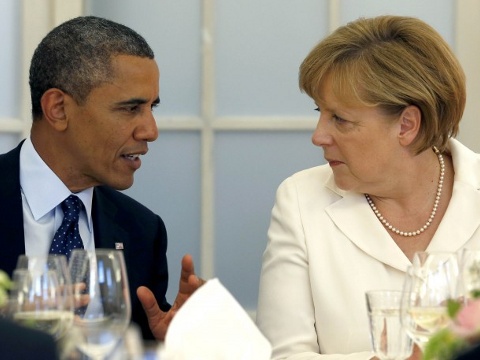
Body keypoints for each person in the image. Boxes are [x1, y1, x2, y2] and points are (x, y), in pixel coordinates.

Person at [256, 15, 480, 359]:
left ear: (406, 124)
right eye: (320, 112)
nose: (318, 136)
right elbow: (284, 355)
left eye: (339, 119)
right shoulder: (300, 200)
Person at [0, 16, 203, 341]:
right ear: (58, 109)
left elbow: (137, 341)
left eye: (153, 107)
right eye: (131, 108)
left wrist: (167, 343)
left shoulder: (142, 230)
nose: (150, 130)